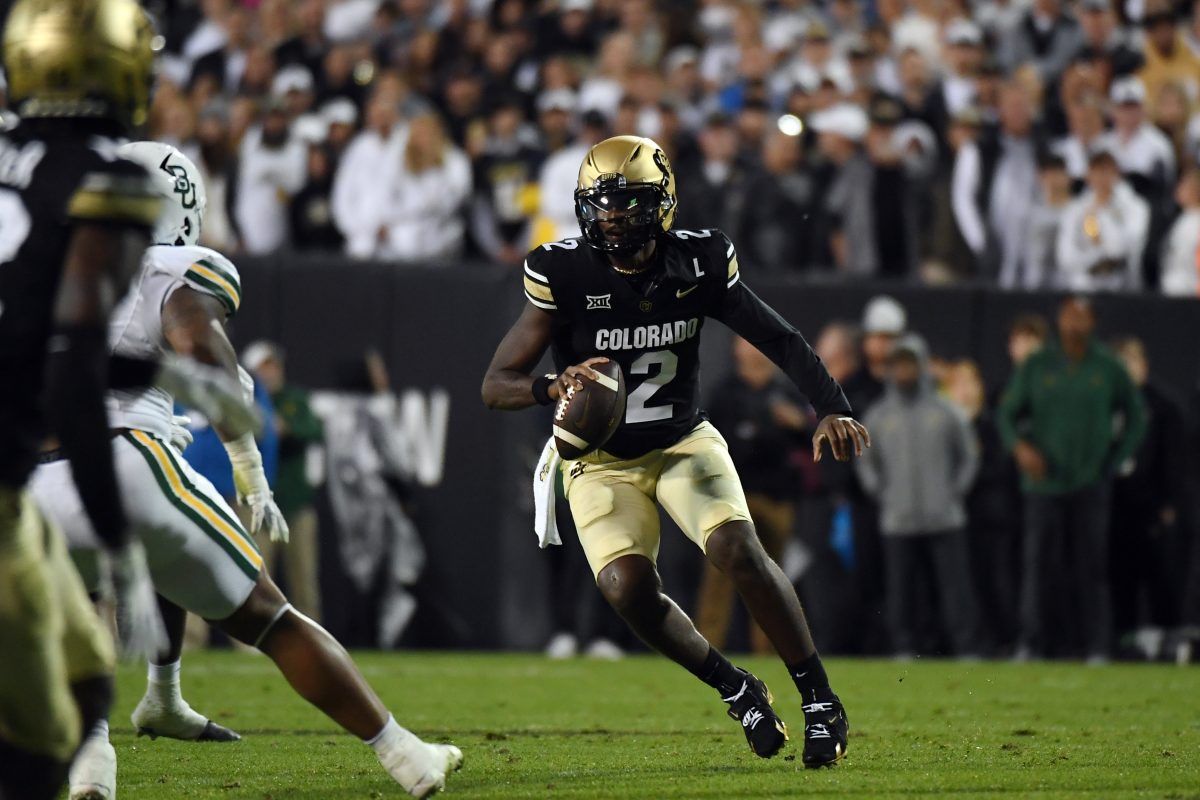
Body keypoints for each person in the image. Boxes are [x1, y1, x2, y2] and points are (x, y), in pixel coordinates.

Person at [29, 142, 462, 799]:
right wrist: (247, 465)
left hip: (29, 485)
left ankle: (99, 763)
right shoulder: (164, 265)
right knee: (269, 615)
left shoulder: (33, 269)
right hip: (124, 458)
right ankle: (408, 757)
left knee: (78, 620)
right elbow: (203, 349)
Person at [482, 135, 870, 767]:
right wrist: (551, 385)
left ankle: (820, 699)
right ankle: (736, 688)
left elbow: (776, 336)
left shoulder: (699, 261)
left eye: (625, 203)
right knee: (623, 586)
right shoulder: (564, 271)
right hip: (600, 461)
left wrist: (831, 403)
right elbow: (494, 384)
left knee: (735, 547)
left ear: (660, 204)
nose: (609, 216)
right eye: (598, 204)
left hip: (680, 440)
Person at [0, 4, 165, 796]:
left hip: (13, 492)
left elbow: (32, 342)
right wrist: (117, 538)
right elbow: (67, 367)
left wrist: (168, 377)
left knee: (83, 679)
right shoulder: (110, 179)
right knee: (37, 743)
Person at [998, 297, 1147, 662]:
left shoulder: (1108, 366)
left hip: (1090, 481)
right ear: (1059, 321)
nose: (1074, 325)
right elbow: (1006, 413)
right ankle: (1032, 643)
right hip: (1043, 484)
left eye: (1081, 318)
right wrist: (1020, 448)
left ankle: (1095, 644)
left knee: (1091, 566)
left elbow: (1137, 415)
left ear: (1093, 322)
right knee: (1039, 567)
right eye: (1068, 317)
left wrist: (1116, 459)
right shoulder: (1037, 364)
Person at [856, 335, 982, 658]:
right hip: (898, 517)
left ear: (923, 366)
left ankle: (964, 646)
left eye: (910, 363)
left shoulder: (946, 411)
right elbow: (866, 461)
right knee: (900, 592)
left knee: (955, 589)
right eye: (898, 364)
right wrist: (881, 492)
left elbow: (968, 456)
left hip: (944, 515)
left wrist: (954, 492)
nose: (904, 371)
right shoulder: (880, 415)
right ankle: (903, 646)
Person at [697, 337, 811, 654]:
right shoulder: (724, 394)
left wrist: (800, 424)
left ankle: (773, 649)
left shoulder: (786, 393)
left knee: (772, 579)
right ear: (736, 349)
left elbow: (811, 444)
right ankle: (707, 650)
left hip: (776, 497)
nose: (755, 350)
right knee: (719, 576)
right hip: (732, 498)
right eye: (748, 343)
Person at [1110, 337, 1188, 658]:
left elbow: (1176, 461)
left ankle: (1169, 638)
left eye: (1131, 362)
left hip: (1154, 505)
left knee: (1162, 574)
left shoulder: (1163, 406)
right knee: (1120, 575)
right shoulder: (1110, 405)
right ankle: (1125, 639)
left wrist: (1169, 503)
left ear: (1143, 365)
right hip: (1118, 505)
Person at [243, 342, 326, 622]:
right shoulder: (243, 401)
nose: (269, 373)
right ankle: (255, 640)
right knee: (255, 580)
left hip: (294, 505)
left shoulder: (293, 399)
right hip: (258, 505)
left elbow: (314, 430)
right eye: (262, 367)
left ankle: (315, 643)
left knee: (304, 582)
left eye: (273, 365)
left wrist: (285, 427)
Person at [1054, 149, 1149, 291]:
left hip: (1123, 285)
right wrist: (1093, 258)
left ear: (1117, 174)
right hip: (1083, 284)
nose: (1101, 178)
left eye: (1106, 172)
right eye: (1096, 172)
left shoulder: (1135, 207)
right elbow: (1065, 256)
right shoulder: (1075, 209)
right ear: (1087, 175)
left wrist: (1103, 215)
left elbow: (1122, 249)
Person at [1160, 167, 1200, 296]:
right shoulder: (1183, 217)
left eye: (1184, 186)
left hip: (1188, 288)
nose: (1178, 190)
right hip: (1174, 285)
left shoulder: (1195, 221)